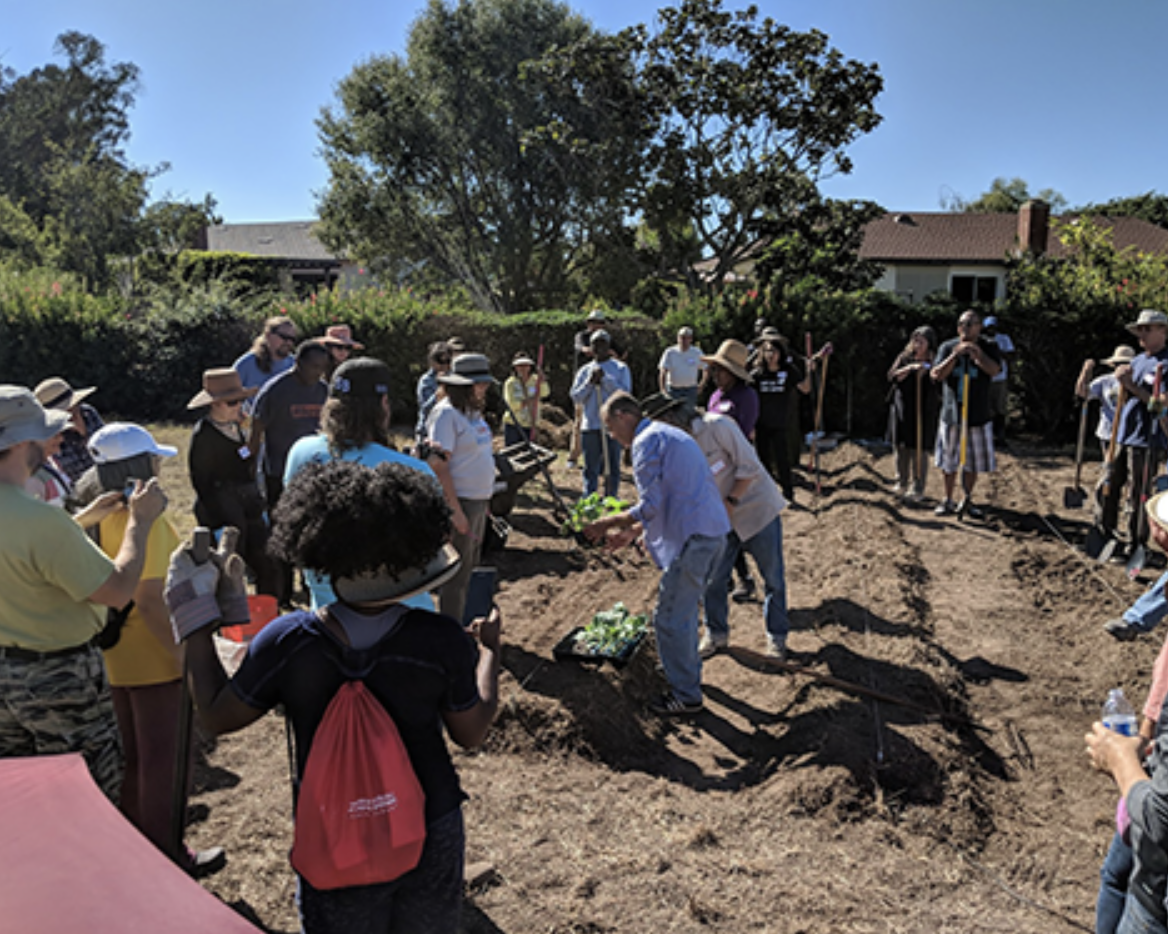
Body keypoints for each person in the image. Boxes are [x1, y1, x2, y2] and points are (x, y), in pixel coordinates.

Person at [165, 459, 502, 934]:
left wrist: (197, 620)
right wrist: (489, 653)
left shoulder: (288, 641)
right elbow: (471, 732)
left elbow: (218, 715)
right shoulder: (439, 638)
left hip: (335, 828)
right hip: (430, 822)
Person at [0, 385, 166, 803]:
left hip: (6, 673)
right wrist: (139, 524)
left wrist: (82, 520)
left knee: (20, 794)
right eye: (44, 432)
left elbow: (23, 556)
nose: (57, 438)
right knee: (87, 795)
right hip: (58, 676)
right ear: (17, 443)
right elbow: (118, 591)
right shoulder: (40, 521)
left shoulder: (35, 520)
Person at [81, 422, 223, 874]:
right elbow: (150, 600)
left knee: (134, 760)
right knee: (165, 762)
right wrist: (185, 659)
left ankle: (135, 850)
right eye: (154, 460)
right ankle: (167, 857)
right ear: (142, 467)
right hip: (155, 662)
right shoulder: (149, 524)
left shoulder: (96, 517)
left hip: (116, 660)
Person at [582, 392, 729, 716]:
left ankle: (686, 695)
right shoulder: (667, 434)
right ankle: (684, 673)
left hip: (696, 539)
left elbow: (650, 505)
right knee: (684, 614)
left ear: (623, 416)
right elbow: (670, 496)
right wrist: (632, 533)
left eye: (610, 427)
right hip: (712, 533)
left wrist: (607, 522)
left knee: (669, 617)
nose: (611, 436)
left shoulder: (645, 441)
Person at [285, 357, 440, 613]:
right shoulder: (413, 470)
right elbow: (433, 549)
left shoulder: (300, 452)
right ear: (383, 404)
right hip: (401, 612)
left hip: (328, 611)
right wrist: (427, 470)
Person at [647, 395, 791, 661]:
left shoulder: (718, 426)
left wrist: (731, 501)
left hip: (757, 509)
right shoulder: (676, 448)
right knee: (713, 580)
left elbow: (750, 467)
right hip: (720, 520)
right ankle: (716, 634)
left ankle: (777, 638)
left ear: (671, 418)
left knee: (773, 579)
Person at [187, 368, 279, 598]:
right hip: (222, 506)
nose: (239, 406)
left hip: (248, 499)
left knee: (267, 558)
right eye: (232, 402)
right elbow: (201, 480)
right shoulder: (203, 435)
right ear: (215, 404)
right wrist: (219, 517)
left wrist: (251, 435)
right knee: (229, 564)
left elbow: (248, 459)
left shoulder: (238, 425)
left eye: (241, 400)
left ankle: (268, 606)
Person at [250, 341, 330, 606]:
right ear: (298, 363)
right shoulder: (276, 390)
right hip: (280, 472)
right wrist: (251, 461)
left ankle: (310, 587)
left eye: (322, 367)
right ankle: (283, 592)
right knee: (283, 532)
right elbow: (257, 427)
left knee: (313, 531)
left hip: (314, 473)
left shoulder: (323, 391)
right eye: (313, 366)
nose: (318, 372)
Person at [424, 353, 498, 622]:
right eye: (479, 383)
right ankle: (450, 628)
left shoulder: (472, 413)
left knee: (469, 570)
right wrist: (454, 510)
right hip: (461, 501)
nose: (484, 387)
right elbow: (438, 465)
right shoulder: (446, 414)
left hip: (476, 500)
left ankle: (461, 624)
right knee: (455, 575)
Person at [1099, 310, 1168, 559]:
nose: (1142, 334)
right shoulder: (1138, 360)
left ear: (1163, 331)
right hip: (1124, 433)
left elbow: (1161, 405)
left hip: (1147, 438)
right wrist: (1123, 383)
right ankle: (1106, 532)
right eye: (1140, 329)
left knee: (1138, 491)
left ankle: (1136, 542)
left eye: (1148, 329)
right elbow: (1127, 394)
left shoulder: (1165, 364)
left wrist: (1132, 386)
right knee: (1109, 482)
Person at [702, 339, 760, 600]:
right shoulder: (715, 397)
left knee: (734, 527)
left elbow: (742, 435)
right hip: (716, 469)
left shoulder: (746, 397)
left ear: (734, 372)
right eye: (714, 369)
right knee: (721, 526)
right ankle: (726, 577)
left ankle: (744, 578)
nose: (715, 375)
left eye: (720, 370)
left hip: (736, 469)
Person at [930, 309, 1002, 519]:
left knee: (972, 461)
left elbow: (995, 370)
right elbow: (936, 374)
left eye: (971, 324)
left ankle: (967, 499)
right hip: (952, 413)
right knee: (949, 460)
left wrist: (978, 355)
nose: (966, 328)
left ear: (979, 327)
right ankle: (947, 499)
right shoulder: (947, 346)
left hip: (977, 413)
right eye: (962, 324)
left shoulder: (989, 346)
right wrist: (955, 355)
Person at [570, 331, 632, 499]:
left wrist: (605, 380)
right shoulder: (584, 370)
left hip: (614, 426)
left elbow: (625, 394)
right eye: (595, 344)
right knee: (590, 465)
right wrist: (589, 383)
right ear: (591, 347)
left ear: (608, 346)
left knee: (612, 465)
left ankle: (611, 496)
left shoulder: (620, 368)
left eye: (602, 344)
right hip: (590, 424)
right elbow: (576, 397)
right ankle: (589, 497)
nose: (599, 348)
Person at [751, 334, 810, 503]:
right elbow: (750, 399)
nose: (771, 355)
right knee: (763, 460)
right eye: (767, 351)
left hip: (781, 423)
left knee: (782, 459)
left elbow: (805, 389)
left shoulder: (789, 371)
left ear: (780, 353)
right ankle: (768, 494)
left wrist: (808, 370)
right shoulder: (757, 374)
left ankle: (788, 493)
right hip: (761, 424)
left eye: (774, 351)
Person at [887, 326, 940, 502]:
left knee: (919, 448)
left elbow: (939, 379)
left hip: (924, 408)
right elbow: (892, 376)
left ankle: (918, 486)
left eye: (921, 341)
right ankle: (901, 481)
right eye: (915, 341)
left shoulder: (934, 359)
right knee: (901, 445)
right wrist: (909, 369)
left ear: (929, 343)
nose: (917, 345)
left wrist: (927, 371)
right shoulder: (905, 357)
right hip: (903, 406)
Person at [34, 376, 104, 484]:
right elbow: (67, 471)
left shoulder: (87, 413)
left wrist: (83, 433)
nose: (73, 411)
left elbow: (107, 448)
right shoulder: (50, 435)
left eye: (74, 406)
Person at [1078, 346, 1137, 458]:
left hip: (1132, 433)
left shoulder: (1139, 381)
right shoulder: (1105, 381)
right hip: (1109, 432)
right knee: (1110, 464)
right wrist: (1085, 372)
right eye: (1118, 363)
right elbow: (1083, 393)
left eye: (1126, 363)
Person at [233, 315, 299, 397]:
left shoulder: (295, 364)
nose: (288, 342)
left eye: (292, 339)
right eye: (284, 337)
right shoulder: (246, 363)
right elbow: (228, 396)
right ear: (268, 335)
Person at [502, 352, 549, 447]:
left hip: (531, 423)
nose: (523, 368)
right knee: (512, 451)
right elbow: (511, 404)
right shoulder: (510, 383)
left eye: (525, 365)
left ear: (530, 366)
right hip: (514, 424)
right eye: (520, 366)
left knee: (529, 452)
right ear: (515, 367)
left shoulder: (536, 380)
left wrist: (543, 381)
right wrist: (529, 402)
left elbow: (545, 393)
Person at [658, 327, 705, 416]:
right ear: (678, 338)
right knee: (673, 415)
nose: (684, 341)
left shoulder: (696, 352)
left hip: (690, 390)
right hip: (673, 390)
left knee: (689, 415)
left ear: (691, 339)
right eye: (682, 337)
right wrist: (663, 389)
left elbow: (706, 369)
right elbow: (663, 371)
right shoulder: (670, 352)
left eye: (687, 338)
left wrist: (702, 384)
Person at [982, 316, 1015, 444]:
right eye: (989, 327)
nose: (991, 330)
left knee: (1000, 408)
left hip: (1000, 378)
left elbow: (1011, 356)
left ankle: (1000, 435)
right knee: (987, 408)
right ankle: (988, 436)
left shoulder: (1003, 339)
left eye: (993, 327)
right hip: (986, 378)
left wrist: (997, 351)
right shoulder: (982, 340)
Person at [415, 341, 453, 442]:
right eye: (440, 361)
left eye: (447, 361)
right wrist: (441, 389)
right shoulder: (426, 380)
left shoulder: (455, 377)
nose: (444, 365)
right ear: (431, 361)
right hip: (427, 432)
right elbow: (426, 408)